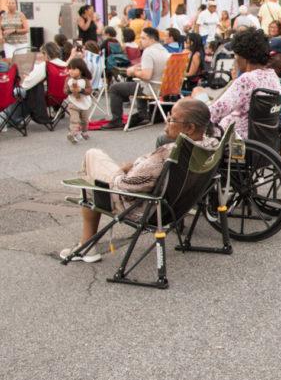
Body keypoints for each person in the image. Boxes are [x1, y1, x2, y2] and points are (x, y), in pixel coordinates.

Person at [60, 99, 218, 263]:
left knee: (92, 158)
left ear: (189, 128)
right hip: (175, 209)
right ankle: (87, 245)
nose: (167, 121)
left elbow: (125, 185)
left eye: (172, 119)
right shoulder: (209, 145)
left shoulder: (170, 152)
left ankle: (86, 245)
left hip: (140, 207)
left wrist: (123, 170)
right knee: (98, 164)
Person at [192, 28, 281, 140]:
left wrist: (192, 118)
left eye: (236, 55)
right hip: (261, 135)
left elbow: (218, 109)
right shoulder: (272, 75)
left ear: (244, 57)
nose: (235, 60)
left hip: (234, 136)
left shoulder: (247, 79)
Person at [100, 27, 170, 130]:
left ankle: (116, 120)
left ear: (151, 39)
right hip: (162, 87)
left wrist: (134, 72)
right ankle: (142, 113)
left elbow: (146, 76)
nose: (140, 40)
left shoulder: (148, 52)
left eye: (143, 38)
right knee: (138, 83)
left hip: (151, 88)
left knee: (115, 88)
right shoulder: (163, 50)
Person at [64, 57, 93, 143]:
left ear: (81, 70)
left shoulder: (85, 80)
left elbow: (89, 90)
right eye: (70, 69)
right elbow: (65, 90)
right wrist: (70, 90)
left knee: (84, 120)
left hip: (84, 103)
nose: (71, 71)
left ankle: (84, 132)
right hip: (73, 103)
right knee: (74, 119)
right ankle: (72, 133)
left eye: (74, 69)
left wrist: (81, 90)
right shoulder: (68, 80)